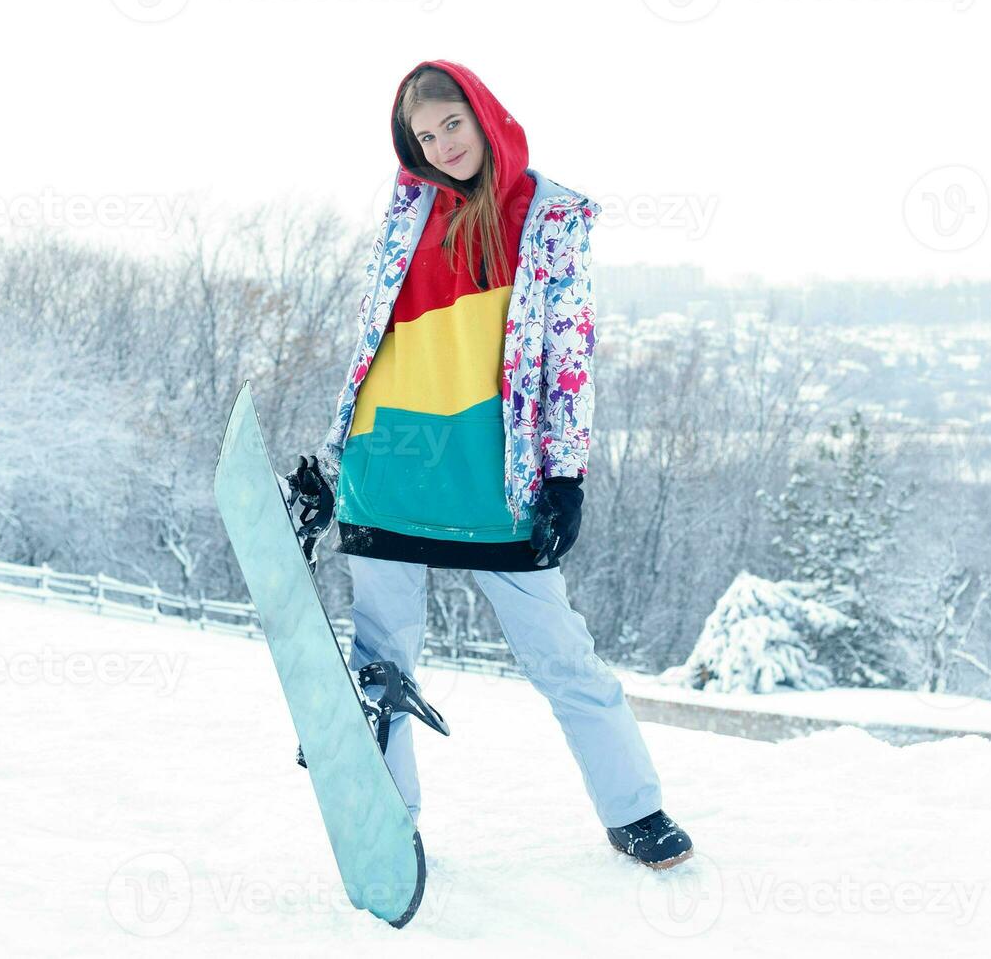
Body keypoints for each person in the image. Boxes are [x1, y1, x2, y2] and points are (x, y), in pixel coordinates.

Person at [286, 59, 692, 869]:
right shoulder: (405, 214)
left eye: (451, 126)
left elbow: (569, 354)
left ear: (482, 114)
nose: (441, 147)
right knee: (379, 664)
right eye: (425, 136)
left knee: (560, 652)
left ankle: (635, 810)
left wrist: (567, 475)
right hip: (390, 461)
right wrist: (334, 466)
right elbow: (374, 343)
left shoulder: (550, 219)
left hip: (492, 476)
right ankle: (387, 821)